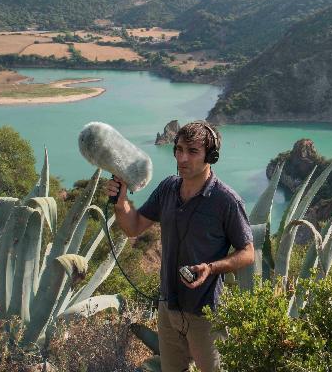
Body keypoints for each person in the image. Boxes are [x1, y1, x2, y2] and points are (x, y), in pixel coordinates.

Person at [106, 121, 254, 372]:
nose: (182, 158)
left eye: (193, 152)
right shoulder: (167, 188)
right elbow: (134, 227)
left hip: (205, 313)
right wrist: (121, 205)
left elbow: (248, 253)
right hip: (167, 308)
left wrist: (211, 268)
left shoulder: (226, 201)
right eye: (179, 149)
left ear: (212, 156)